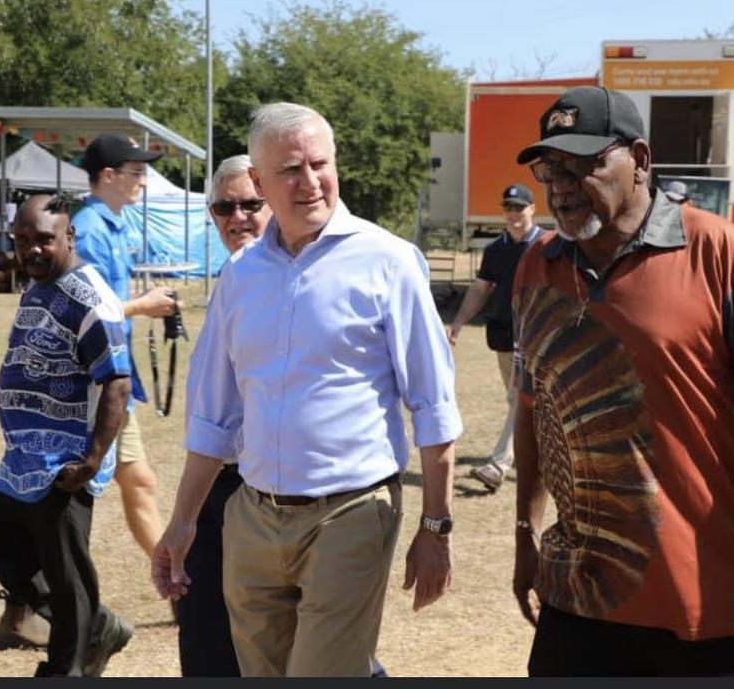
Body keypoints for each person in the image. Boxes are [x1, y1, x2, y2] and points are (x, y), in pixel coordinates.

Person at [153, 103, 462, 677]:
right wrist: (183, 522)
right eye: (291, 170)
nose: (310, 181)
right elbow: (214, 416)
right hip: (253, 518)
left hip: (351, 512)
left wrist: (435, 527)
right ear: (262, 184)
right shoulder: (241, 276)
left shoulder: (388, 262)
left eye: (320, 163)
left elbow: (433, 406)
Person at [510, 85, 734, 676]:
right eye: (550, 168)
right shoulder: (536, 265)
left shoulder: (717, 251)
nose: (561, 184)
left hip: (708, 607)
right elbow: (533, 410)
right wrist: (525, 533)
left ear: (640, 160)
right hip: (579, 602)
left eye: (583, 163)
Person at [0, 194, 135, 677]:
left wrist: (91, 458)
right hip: (24, 455)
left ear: (70, 236)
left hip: (64, 461)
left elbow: (117, 381)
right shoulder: (40, 286)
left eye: (44, 239)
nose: (32, 250)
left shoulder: (90, 298)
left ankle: (66, 667)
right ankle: (97, 624)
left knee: (67, 575)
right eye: (23, 240)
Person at [172, 154, 272, 677]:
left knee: (297, 642)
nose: (238, 218)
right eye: (223, 207)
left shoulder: (286, 276)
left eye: (252, 204)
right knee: (209, 633)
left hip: (271, 495)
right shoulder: (234, 274)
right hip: (219, 485)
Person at [72, 134, 179, 561]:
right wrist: (143, 305)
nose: (145, 181)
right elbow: (80, 307)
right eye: (137, 172)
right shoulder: (89, 229)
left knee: (140, 481)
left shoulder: (112, 223)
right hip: (88, 386)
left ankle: (175, 584)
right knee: (75, 488)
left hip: (111, 376)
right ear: (109, 175)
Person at [446, 183, 545, 492]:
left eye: (519, 207)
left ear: (532, 209)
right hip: (503, 335)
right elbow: (480, 289)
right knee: (523, 402)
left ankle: (498, 466)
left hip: (535, 337)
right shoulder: (496, 250)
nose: (513, 214)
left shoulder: (548, 246)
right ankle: (545, 457)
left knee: (519, 398)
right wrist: (459, 321)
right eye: (508, 208)